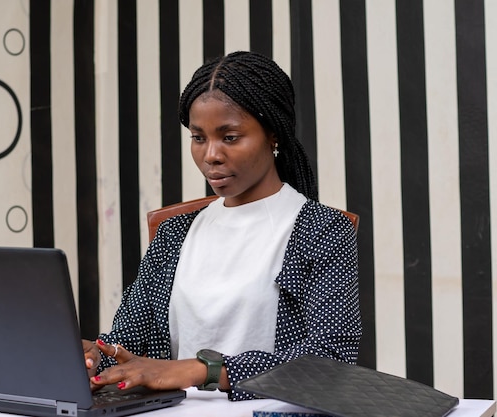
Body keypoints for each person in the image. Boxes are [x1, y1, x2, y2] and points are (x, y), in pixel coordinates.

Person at [83, 51, 361, 401]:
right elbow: (128, 338)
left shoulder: (319, 230)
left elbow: (331, 359)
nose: (211, 154)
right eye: (198, 138)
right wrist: (95, 354)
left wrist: (204, 370)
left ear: (273, 135)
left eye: (230, 137)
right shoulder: (175, 234)